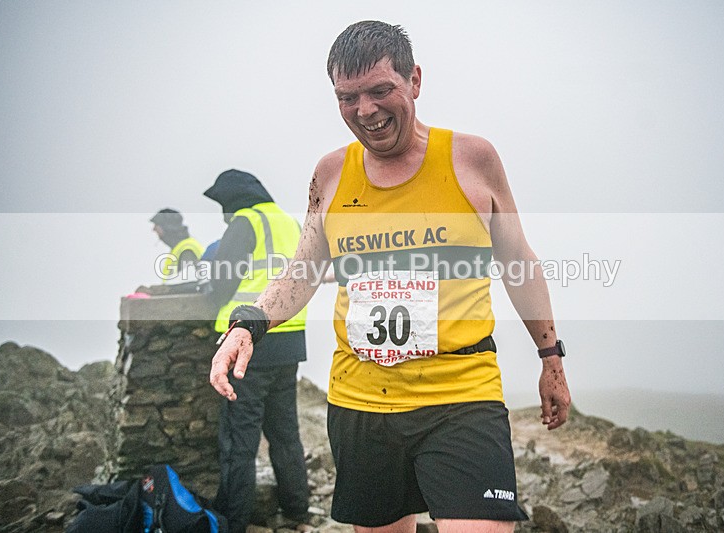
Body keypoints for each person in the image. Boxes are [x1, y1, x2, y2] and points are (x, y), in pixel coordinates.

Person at [209, 21, 572, 533]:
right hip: (361, 402)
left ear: (415, 80)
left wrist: (551, 358)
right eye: (347, 97)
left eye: (381, 91)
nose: (365, 111)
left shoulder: (472, 159)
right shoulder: (330, 174)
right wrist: (248, 323)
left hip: (461, 395)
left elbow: (519, 262)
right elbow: (302, 271)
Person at [202, 169, 311, 533]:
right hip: (289, 339)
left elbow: (222, 283)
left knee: (240, 438)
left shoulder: (245, 222)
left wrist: (211, 299)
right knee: (285, 432)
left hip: (247, 346)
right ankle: (297, 509)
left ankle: (233, 521)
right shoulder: (289, 222)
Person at [150, 208, 204, 281]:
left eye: (157, 225)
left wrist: (155, 290)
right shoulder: (179, 248)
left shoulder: (187, 250)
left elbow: (187, 284)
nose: (153, 229)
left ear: (168, 228)